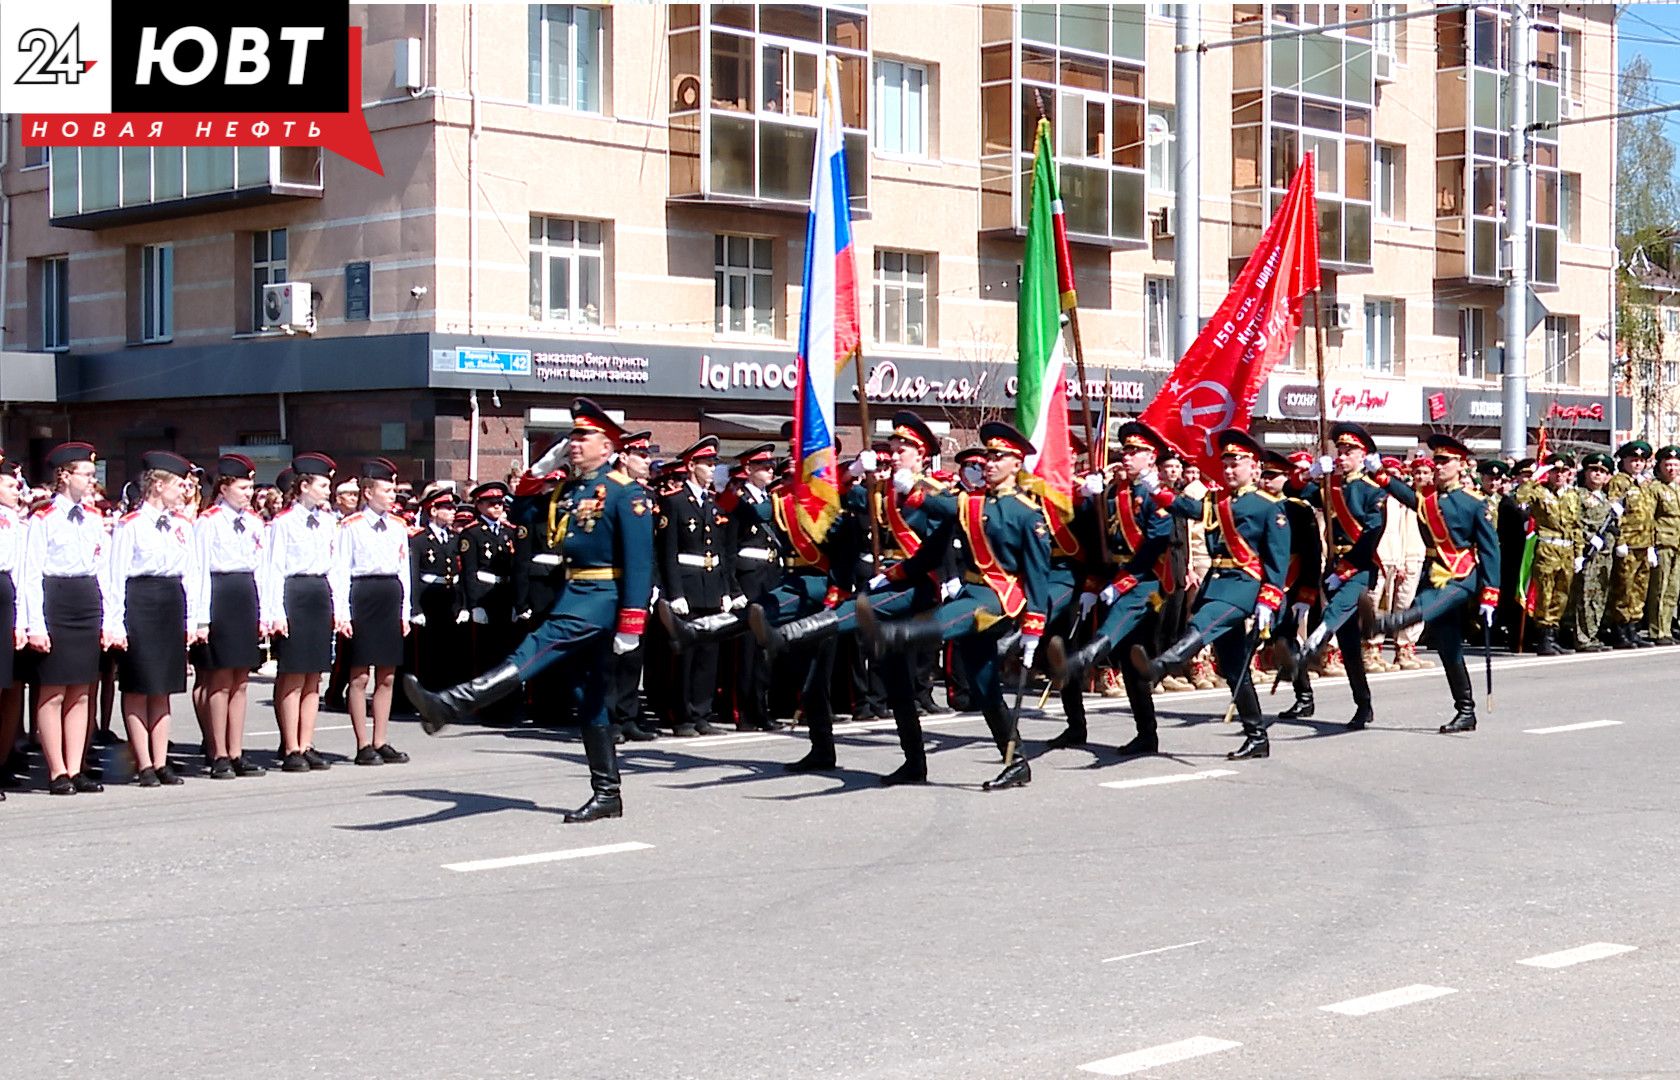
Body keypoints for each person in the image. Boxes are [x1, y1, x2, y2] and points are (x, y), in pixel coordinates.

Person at [405, 398, 653, 823]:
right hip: (573, 592)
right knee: (592, 698)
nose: (573, 443)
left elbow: (640, 562)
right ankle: (608, 792)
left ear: (607, 445)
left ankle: (451, 704)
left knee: (534, 649)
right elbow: (522, 509)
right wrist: (540, 468)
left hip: (601, 598)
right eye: (571, 436)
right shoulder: (572, 490)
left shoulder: (626, 495)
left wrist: (631, 622)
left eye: (583, 436)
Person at [857, 421, 1050, 789]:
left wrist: (1034, 626)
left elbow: (1038, 571)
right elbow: (939, 504)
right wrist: (906, 487)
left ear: (1016, 463)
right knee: (984, 687)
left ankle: (888, 630)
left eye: (998, 457)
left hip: (997, 598)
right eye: (988, 456)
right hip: (971, 593)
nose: (989, 463)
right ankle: (1017, 761)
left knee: (942, 621)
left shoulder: (1027, 512)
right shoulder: (972, 501)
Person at [1131, 430, 1290, 760]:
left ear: (1254, 468)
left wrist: (1269, 598)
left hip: (1244, 585)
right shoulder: (1216, 502)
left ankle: (1160, 665)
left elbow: (1278, 558)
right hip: (1216, 583)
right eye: (1226, 464)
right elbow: (1181, 505)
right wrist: (1150, 481)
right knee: (1233, 667)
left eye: (1237, 463)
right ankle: (1257, 736)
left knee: (1201, 625)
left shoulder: (1268, 507)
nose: (1230, 469)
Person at [1044, 420, 1176, 756]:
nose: (1127, 456)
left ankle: (1147, 733)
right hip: (1108, 582)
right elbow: (1096, 536)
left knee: (1132, 662)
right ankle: (1081, 726)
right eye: (1125, 451)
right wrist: (1091, 497)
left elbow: (1153, 549)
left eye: (1135, 451)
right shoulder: (1118, 493)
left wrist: (1122, 583)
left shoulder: (1157, 496)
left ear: (1151, 457)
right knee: (1117, 656)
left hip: (1144, 586)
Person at [1362, 435, 1501, 733]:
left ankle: (1387, 623)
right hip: (1436, 570)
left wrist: (1491, 593)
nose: (1438, 466)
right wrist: (1379, 473)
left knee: (1428, 606)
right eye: (1435, 460)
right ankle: (1466, 711)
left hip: (1462, 575)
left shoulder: (1476, 504)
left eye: (1444, 461)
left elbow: (1490, 550)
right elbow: (1404, 494)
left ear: (1461, 465)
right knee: (1448, 648)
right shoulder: (1429, 499)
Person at [1274, 422, 1388, 730]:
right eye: (1340, 450)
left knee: (1335, 615)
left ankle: (1311, 646)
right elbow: (1291, 489)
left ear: (1364, 455)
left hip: (1360, 568)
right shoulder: (1330, 485)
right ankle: (1363, 705)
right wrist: (1310, 472)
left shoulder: (1372, 491)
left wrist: (1348, 569)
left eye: (1349, 451)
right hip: (1334, 567)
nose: (1342, 455)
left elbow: (1371, 535)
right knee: (1350, 644)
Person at [103, 451, 202, 787]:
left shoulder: (182, 526)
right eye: (179, 485)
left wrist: (192, 620)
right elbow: (116, 577)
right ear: (158, 485)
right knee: (139, 684)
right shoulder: (129, 525)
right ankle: (142, 762)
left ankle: (160, 761)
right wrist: (114, 623)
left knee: (163, 685)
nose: (184, 492)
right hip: (140, 602)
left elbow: (191, 575)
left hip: (170, 600)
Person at [21, 442, 110, 795]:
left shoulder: (94, 517)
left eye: (92, 474)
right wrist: (36, 625)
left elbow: (102, 568)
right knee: (54, 689)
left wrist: (108, 618)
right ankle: (56, 769)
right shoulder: (42, 519)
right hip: (56, 599)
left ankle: (76, 767)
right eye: (85, 474)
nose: (91, 480)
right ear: (64, 476)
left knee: (82, 691)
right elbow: (31, 574)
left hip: (85, 598)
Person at [330, 458, 413, 765]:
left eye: (394, 490)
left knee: (387, 676)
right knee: (360, 675)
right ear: (368, 493)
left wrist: (405, 611)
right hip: (362, 596)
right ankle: (363, 742)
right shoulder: (350, 526)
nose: (392, 496)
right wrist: (342, 611)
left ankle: (381, 739)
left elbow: (404, 571)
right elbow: (339, 570)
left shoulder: (398, 526)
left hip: (389, 594)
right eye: (386, 490)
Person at [191, 454, 268, 779]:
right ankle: (218, 750)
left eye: (250, 486)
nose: (248, 492)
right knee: (220, 680)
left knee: (240, 680)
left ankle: (236, 751)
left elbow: (261, 569)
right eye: (241, 486)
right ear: (223, 488)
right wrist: (201, 618)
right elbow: (199, 569)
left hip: (244, 594)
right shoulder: (208, 521)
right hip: (219, 596)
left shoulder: (254, 521)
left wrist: (263, 612)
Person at [263, 453, 340, 773]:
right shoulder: (283, 522)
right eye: (323, 485)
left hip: (319, 593)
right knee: (293, 674)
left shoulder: (328, 520)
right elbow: (273, 568)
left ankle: (306, 742)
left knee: (313, 676)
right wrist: (275, 612)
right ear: (304, 485)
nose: (328, 491)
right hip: (294, 594)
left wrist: (339, 607)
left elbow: (335, 566)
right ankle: (290, 744)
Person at [658, 436, 732, 737]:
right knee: (685, 657)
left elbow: (721, 551)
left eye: (714, 463)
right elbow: (667, 552)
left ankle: (702, 713)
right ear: (692, 466)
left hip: (711, 585)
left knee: (707, 655)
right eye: (708, 464)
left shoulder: (713, 504)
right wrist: (674, 593)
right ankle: (682, 716)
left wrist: (727, 589)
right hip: (687, 587)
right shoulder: (674, 503)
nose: (713, 469)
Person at [724, 442, 784, 734]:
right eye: (763, 467)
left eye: (771, 466)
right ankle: (743, 712)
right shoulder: (737, 502)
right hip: (748, 581)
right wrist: (734, 589)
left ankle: (761, 710)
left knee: (764, 650)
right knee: (745, 653)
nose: (770, 471)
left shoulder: (771, 499)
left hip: (770, 578)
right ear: (748, 470)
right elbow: (728, 550)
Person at [458, 480, 519, 714]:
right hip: (484, 595)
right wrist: (474, 604)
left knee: (507, 652)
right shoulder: (472, 533)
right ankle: (484, 705)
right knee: (486, 654)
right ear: (479, 505)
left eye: (500, 503)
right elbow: (469, 571)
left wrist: (515, 601)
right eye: (491, 503)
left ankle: (507, 703)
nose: (497, 507)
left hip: (504, 595)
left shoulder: (508, 532)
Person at [1511, 452, 1580, 656]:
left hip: (1567, 549)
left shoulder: (1571, 495)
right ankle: (1543, 638)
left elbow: (1576, 526)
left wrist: (1579, 553)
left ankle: (1553, 635)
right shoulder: (1539, 492)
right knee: (1545, 594)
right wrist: (1534, 478)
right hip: (1547, 549)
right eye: (1554, 471)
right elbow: (1520, 497)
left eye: (1563, 471)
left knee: (1561, 595)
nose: (1559, 475)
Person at [1606, 440, 1657, 649]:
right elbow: (1614, 515)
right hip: (1628, 544)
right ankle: (1620, 630)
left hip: (1644, 544)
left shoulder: (1645, 485)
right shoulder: (1620, 482)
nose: (1637, 464)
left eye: (1641, 460)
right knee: (1623, 588)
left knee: (1639, 588)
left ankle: (1633, 628)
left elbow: (1650, 516)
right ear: (1624, 461)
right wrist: (1620, 541)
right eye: (1633, 460)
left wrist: (1652, 545)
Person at [1566, 452, 1618, 651]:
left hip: (1606, 553)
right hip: (1589, 553)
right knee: (1585, 595)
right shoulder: (1578, 495)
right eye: (1593, 470)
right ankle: (1583, 636)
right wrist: (1588, 540)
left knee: (1600, 594)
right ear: (1585, 473)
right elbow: (1575, 522)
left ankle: (1593, 633)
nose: (1597, 474)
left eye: (1602, 472)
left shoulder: (1606, 499)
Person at [0, 453, 23, 801]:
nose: (17, 488)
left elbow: (21, 568)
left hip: (5, 596)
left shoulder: (14, 520)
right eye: (9, 482)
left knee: (7, 687)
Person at [1644, 445, 1680, 645]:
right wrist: (1651, 545)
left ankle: (1667, 628)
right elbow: (1649, 518)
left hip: (1678, 544)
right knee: (1659, 587)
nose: (1672, 469)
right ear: (1660, 466)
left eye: (1675, 465)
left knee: (1673, 589)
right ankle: (1656, 629)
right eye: (1668, 465)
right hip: (1663, 543)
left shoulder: (1677, 489)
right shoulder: (1654, 489)